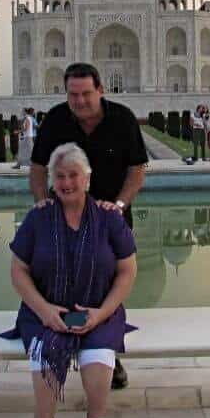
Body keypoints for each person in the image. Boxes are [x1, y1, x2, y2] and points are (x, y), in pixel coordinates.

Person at [29, 62, 148, 390]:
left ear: (100, 90)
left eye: (85, 94)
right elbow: (38, 167)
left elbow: (137, 170)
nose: (79, 101)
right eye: (73, 95)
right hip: (63, 217)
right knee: (59, 282)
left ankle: (106, 354)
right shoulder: (56, 119)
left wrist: (120, 205)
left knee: (107, 287)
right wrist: (40, 202)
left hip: (110, 219)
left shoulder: (121, 119)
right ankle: (62, 347)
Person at [1, 142, 137, 418]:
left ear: (87, 179)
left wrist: (102, 313)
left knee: (97, 360)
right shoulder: (39, 217)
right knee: (46, 370)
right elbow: (18, 270)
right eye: (60, 176)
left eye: (73, 175)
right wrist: (44, 311)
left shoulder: (109, 217)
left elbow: (127, 271)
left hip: (100, 312)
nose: (67, 182)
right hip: (44, 314)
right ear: (52, 181)